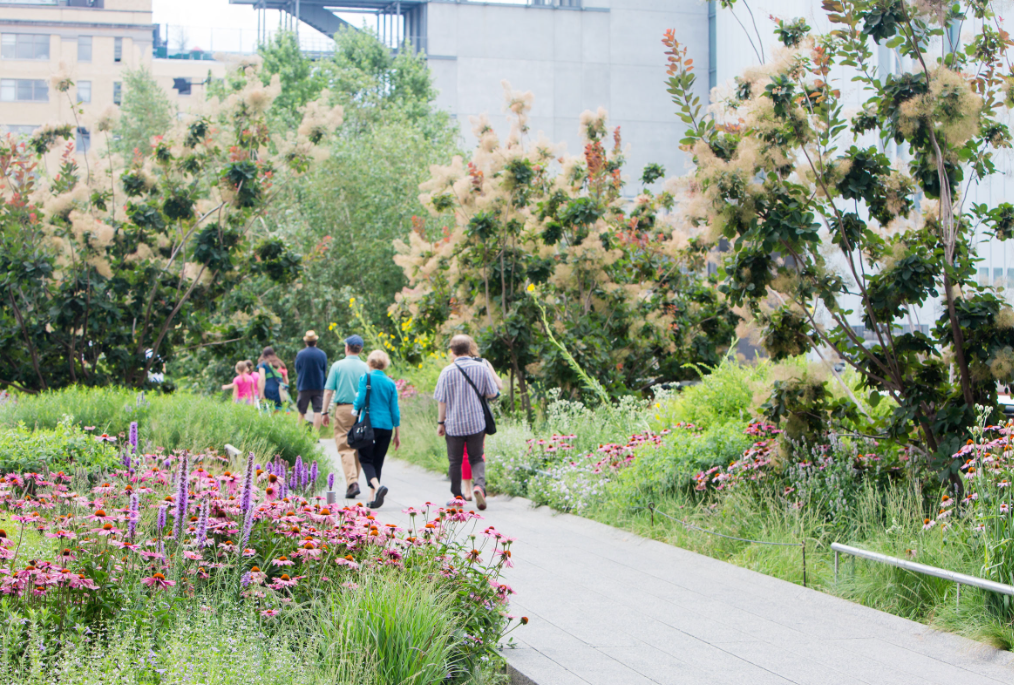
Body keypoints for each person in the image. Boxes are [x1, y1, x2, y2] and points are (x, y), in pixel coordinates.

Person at [434, 334, 499, 510]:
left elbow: (442, 400)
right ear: (469, 348)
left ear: (452, 351)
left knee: (455, 461)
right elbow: (493, 393)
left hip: (454, 424)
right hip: (477, 422)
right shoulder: (481, 368)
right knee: (476, 457)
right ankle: (479, 486)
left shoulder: (447, 372)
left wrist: (441, 423)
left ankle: (457, 497)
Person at [351, 350, 401, 509]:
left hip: (368, 424)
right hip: (386, 427)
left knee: (365, 458)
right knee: (378, 460)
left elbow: (359, 400)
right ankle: (372, 496)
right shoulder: (390, 383)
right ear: (384, 364)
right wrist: (397, 434)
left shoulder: (366, 378)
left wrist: (354, 409)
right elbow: (395, 410)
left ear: (370, 363)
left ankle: (378, 488)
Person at [322, 335, 369, 498]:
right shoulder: (366, 367)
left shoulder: (338, 366)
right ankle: (353, 480)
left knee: (345, 446)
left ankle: (352, 482)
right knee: (358, 445)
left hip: (343, 409)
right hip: (362, 410)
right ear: (361, 349)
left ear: (346, 348)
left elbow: (328, 391)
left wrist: (324, 411)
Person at [460, 340, 503, 499]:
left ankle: (467, 491)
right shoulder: (483, 363)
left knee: (465, 453)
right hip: (480, 414)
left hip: (459, 415)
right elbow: (499, 385)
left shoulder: (454, 367)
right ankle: (479, 485)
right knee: (478, 451)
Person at [294, 330, 328, 432]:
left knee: (301, 411)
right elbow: (324, 369)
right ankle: (315, 435)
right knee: (317, 410)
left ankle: (300, 434)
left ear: (306, 342)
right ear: (316, 341)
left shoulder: (301, 354)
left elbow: (297, 369)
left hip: (304, 385)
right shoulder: (322, 354)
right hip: (318, 385)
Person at [256, 347, 286, 411]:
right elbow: (286, 381)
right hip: (281, 389)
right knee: (281, 409)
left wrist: (261, 394)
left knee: (270, 410)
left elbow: (262, 379)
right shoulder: (280, 363)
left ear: (264, 355)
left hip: (269, 389)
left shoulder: (263, 364)